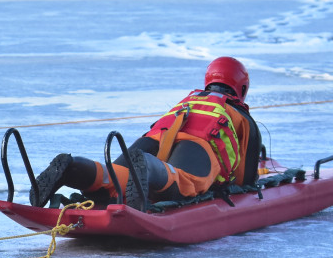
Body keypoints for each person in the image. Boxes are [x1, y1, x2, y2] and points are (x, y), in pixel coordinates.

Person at [30, 57, 261, 211]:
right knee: (185, 182)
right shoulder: (240, 115)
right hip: (198, 148)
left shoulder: (188, 101)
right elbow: (245, 180)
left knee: (115, 178)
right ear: (241, 88)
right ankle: (150, 168)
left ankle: (72, 168)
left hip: (155, 139)